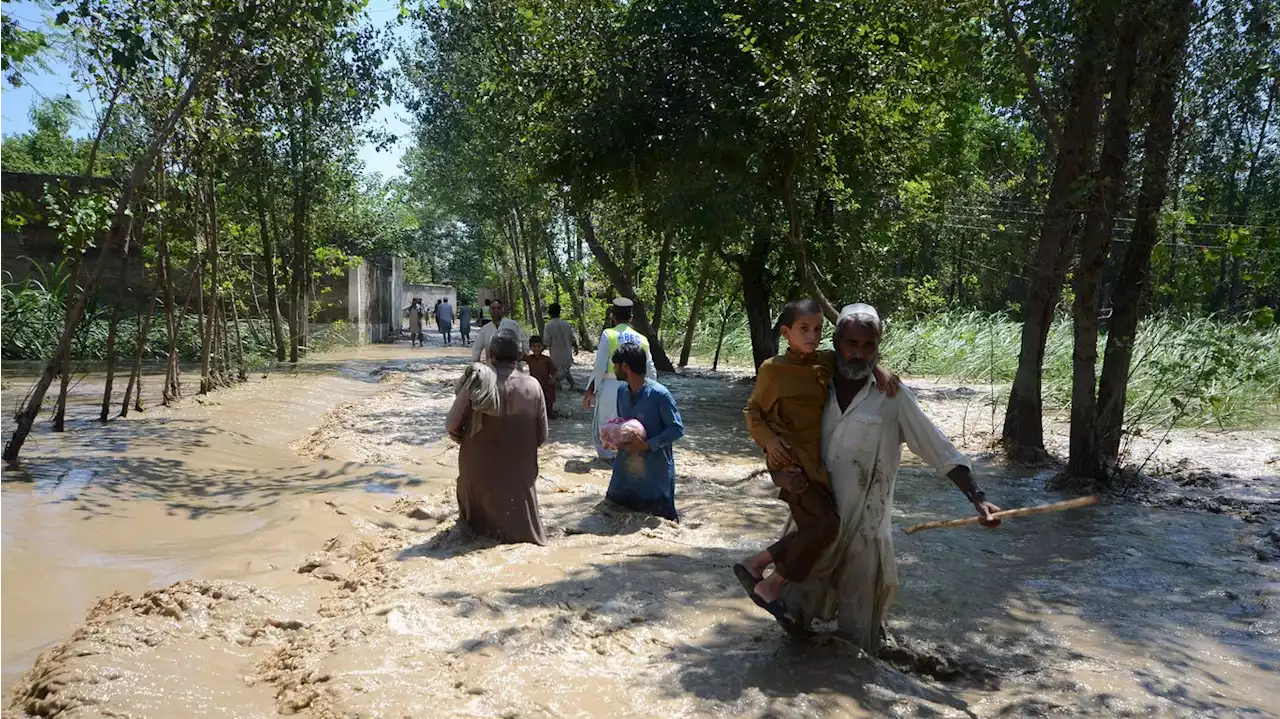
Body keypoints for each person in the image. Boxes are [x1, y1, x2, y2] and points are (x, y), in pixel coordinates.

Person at [778, 303, 1002, 647]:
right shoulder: (814, 386)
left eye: (868, 346)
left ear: (877, 348)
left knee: (858, 640)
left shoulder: (892, 396)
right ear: (837, 344)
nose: (858, 354)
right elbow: (776, 431)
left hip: (865, 531)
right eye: (851, 344)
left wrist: (978, 497)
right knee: (791, 621)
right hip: (814, 521)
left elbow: (937, 447)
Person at [733, 299, 900, 625]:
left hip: (817, 461)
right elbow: (753, 412)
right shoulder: (772, 370)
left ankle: (757, 563)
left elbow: (856, 359)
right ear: (786, 333)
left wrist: (879, 369)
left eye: (818, 330)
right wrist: (769, 442)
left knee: (821, 527)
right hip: (790, 462)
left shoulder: (824, 362)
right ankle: (771, 584)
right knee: (826, 526)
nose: (812, 336)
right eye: (804, 329)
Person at [446, 329, 548, 546]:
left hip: (477, 478)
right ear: (520, 356)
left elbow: (451, 426)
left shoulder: (477, 381)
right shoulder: (533, 386)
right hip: (519, 482)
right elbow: (542, 436)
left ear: (490, 354)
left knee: (472, 535)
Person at [606, 341, 684, 521]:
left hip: (654, 475)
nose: (613, 369)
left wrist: (647, 445)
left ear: (625, 367)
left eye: (616, 365)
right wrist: (613, 437)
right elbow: (622, 424)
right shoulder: (621, 392)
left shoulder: (660, 395)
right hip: (624, 472)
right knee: (612, 514)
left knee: (658, 523)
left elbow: (677, 429)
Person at [583, 298, 655, 461]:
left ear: (613, 317)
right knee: (630, 424)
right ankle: (627, 457)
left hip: (610, 386)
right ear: (631, 317)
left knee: (606, 425)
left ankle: (607, 458)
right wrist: (651, 390)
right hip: (635, 388)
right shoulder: (642, 339)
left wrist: (590, 390)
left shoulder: (609, 334)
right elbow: (650, 368)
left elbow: (600, 366)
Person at [472, 299, 528, 364]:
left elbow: (524, 340)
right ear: (489, 310)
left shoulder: (512, 324)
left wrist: (522, 357)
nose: (496, 310)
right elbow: (477, 347)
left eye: (498, 308)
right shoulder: (485, 329)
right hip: (492, 367)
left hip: (512, 366)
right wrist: (477, 364)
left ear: (502, 309)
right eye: (493, 308)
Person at [542, 303, 577, 391]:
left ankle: (559, 389)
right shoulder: (566, 324)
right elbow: (572, 338)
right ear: (559, 312)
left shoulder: (548, 326)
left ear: (549, 313)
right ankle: (573, 385)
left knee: (557, 374)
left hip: (556, 355)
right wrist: (576, 347)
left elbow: (546, 341)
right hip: (567, 353)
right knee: (565, 370)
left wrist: (539, 351)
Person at [525, 335, 558, 417]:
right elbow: (517, 357)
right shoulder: (529, 358)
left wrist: (553, 379)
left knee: (548, 401)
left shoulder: (546, 359)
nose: (536, 349)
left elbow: (555, 372)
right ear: (530, 347)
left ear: (542, 346)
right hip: (534, 385)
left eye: (538, 346)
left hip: (546, 384)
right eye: (533, 346)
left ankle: (549, 412)